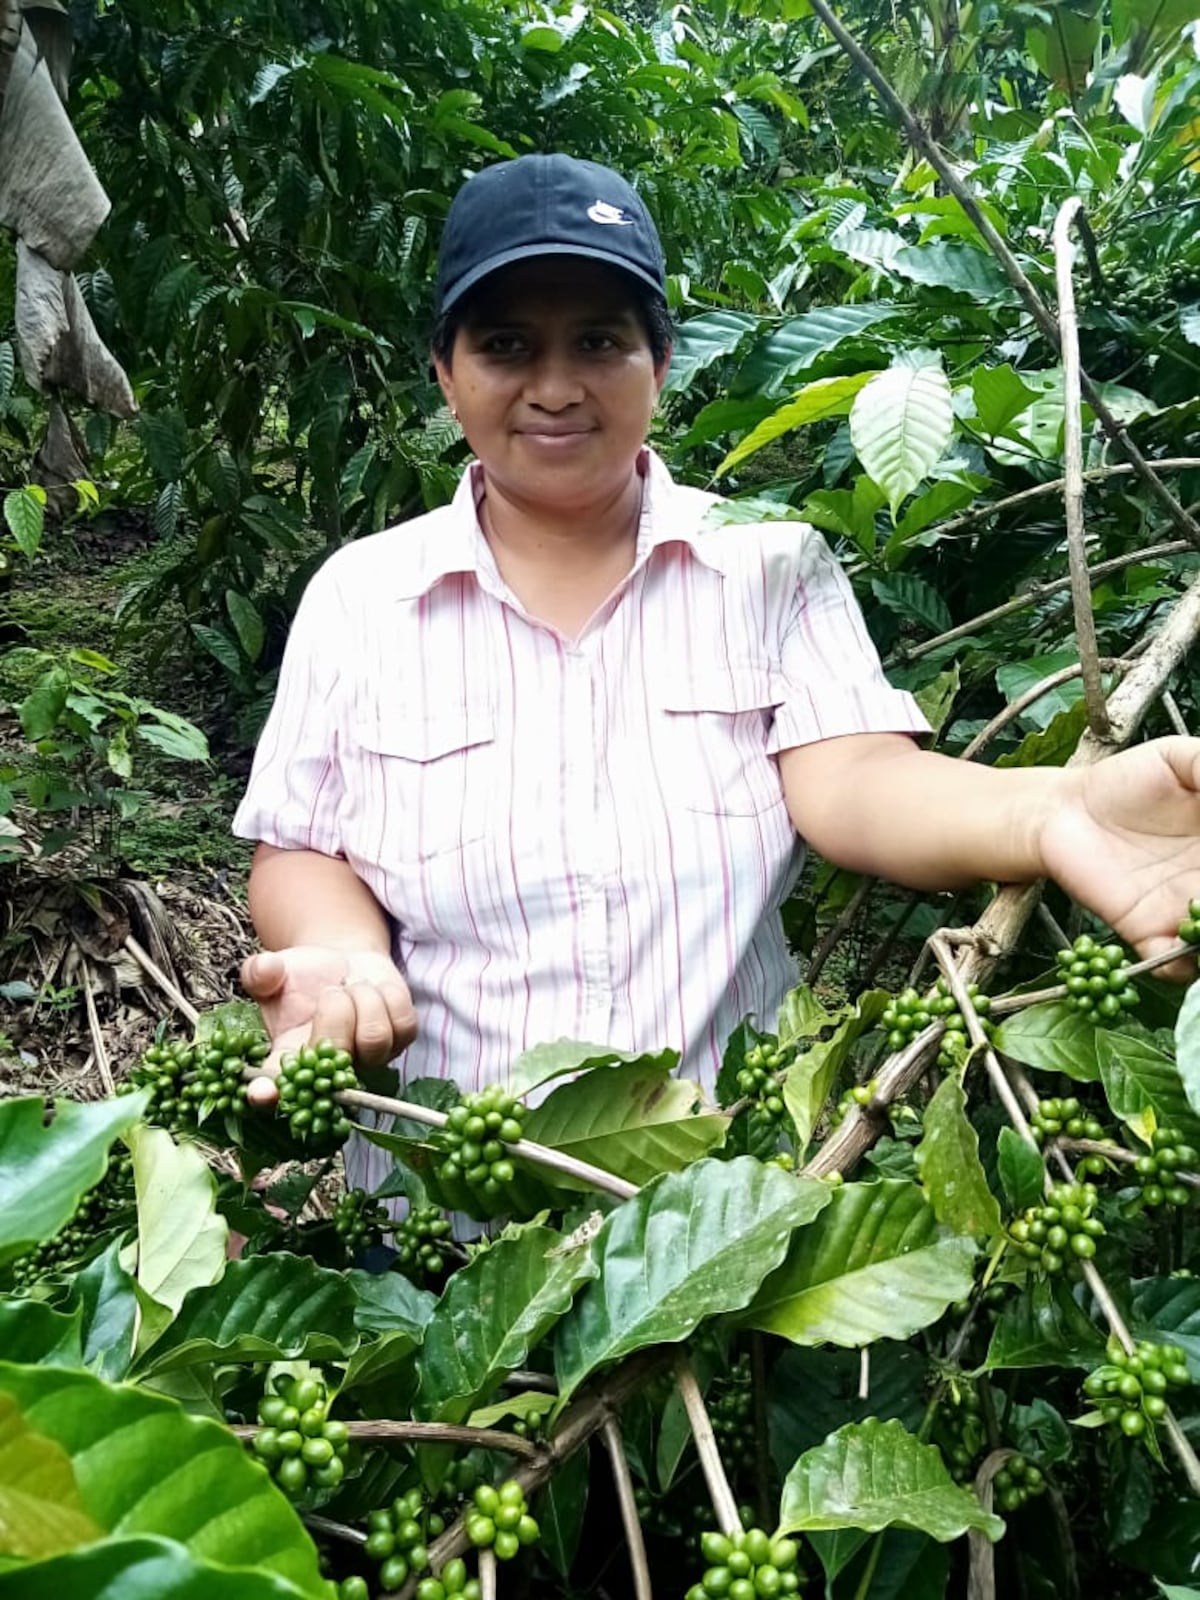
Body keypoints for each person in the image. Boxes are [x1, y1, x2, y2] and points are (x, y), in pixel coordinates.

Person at [234, 153, 1200, 1194]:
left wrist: (1059, 811)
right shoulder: (362, 597)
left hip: (731, 1200)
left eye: (599, 341)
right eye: (507, 345)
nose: (555, 386)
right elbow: (302, 844)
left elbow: (859, 780)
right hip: (443, 1204)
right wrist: (342, 952)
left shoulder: (767, 562)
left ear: (659, 360)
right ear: (444, 371)